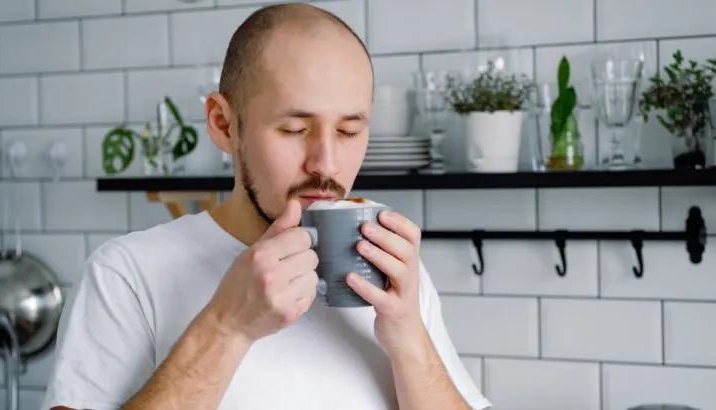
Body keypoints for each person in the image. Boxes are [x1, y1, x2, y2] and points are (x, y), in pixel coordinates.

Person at [42, 3, 491, 410]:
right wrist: (227, 327)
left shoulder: (388, 268)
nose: (327, 164)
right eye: (295, 129)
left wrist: (408, 334)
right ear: (223, 124)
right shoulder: (126, 274)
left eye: (350, 132)